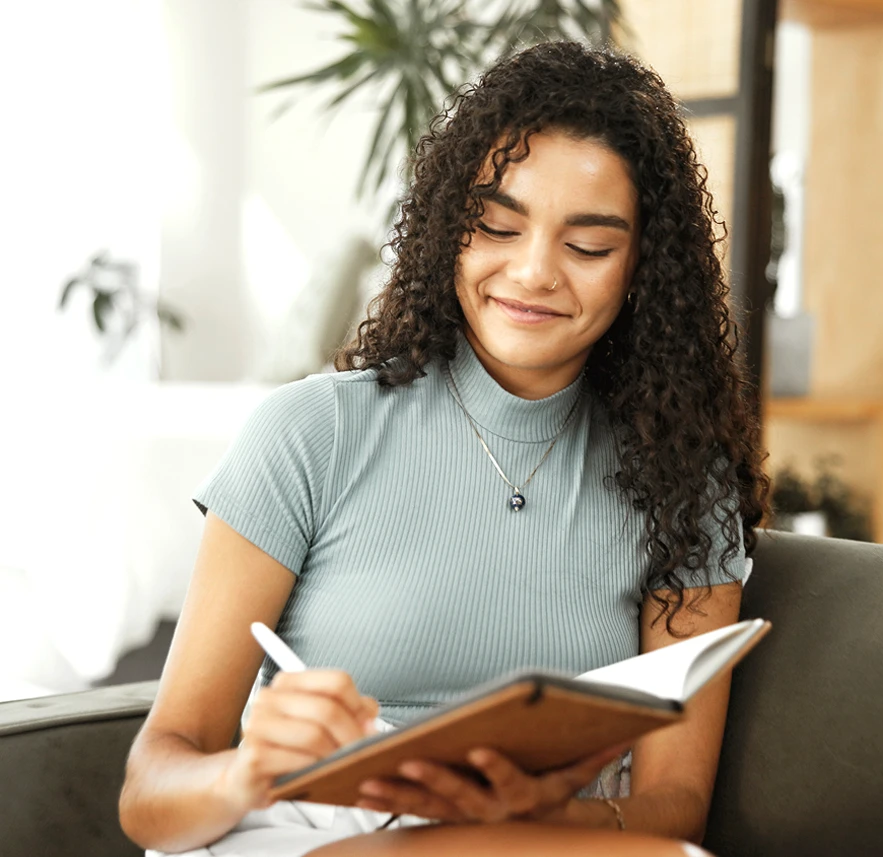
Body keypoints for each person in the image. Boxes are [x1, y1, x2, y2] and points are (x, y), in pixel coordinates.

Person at [118, 39, 769, 857]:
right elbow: (150, 794)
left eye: (588, 246)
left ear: (644, 268)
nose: (532, 272)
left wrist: (537, 812)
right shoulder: (309, 433)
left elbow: (677, 806)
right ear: (449, 228)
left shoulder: (682, 480)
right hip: (306, 829)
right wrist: (247, 772)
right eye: (497, 225)